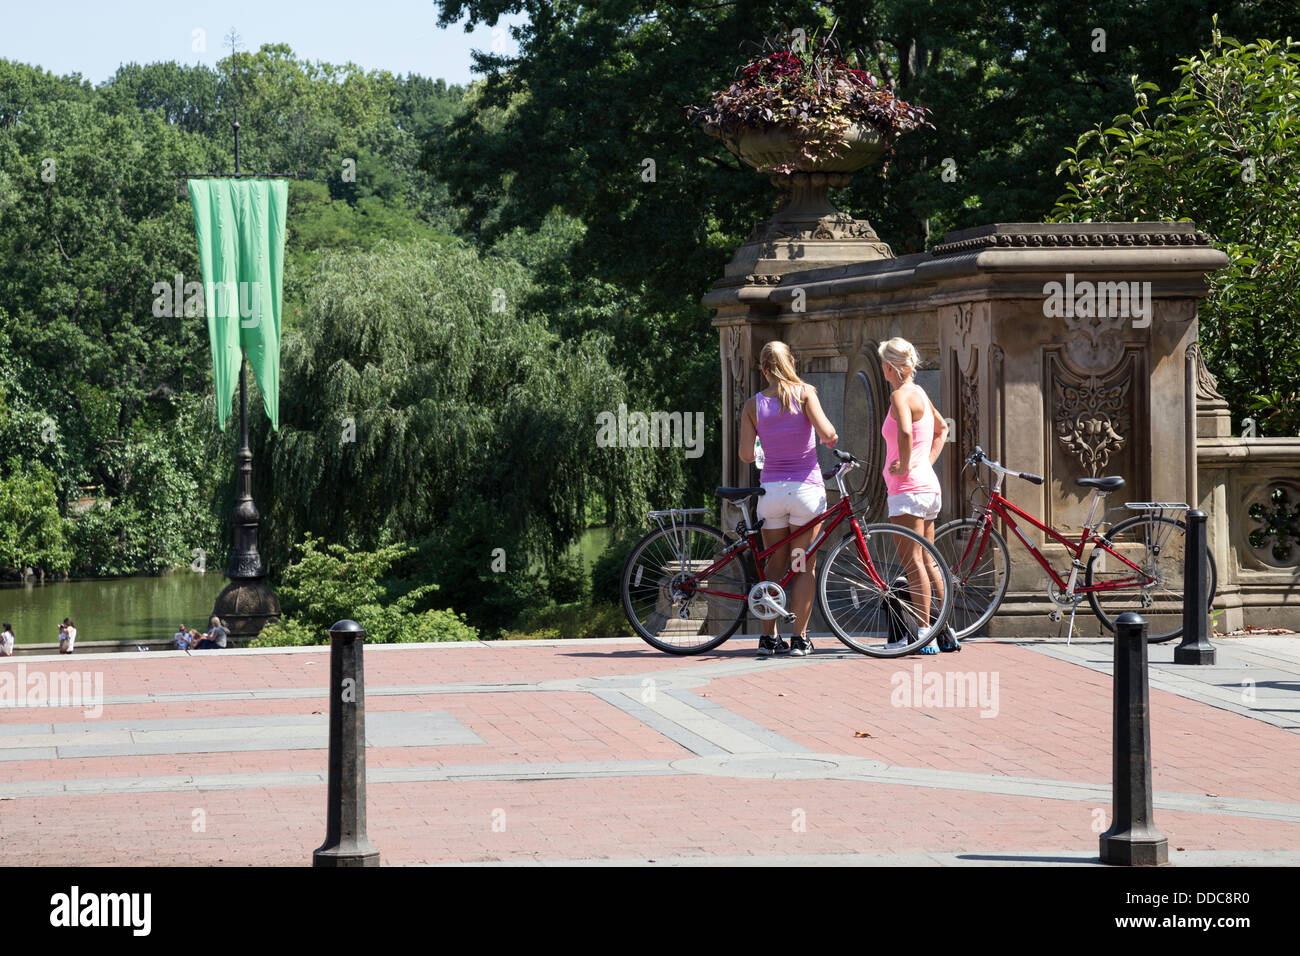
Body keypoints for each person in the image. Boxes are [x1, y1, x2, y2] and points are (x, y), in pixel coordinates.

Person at [739, 341, 839, 658]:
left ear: (764, 370)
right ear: (791, 364)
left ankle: (769, 637)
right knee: (803, 565)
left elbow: (744, 455)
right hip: (806, 492)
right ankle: (800, 639)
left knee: (776, 562)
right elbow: (829, 434)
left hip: (771, 493)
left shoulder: (752, 406)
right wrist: (821, 436)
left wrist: (764, 444)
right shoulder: (806, 393)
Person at [877, 338, 955, 653]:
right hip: (928, 486)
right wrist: (925, 463)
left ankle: (924, 634)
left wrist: (907, 464)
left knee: (913, 564)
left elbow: (906, 432)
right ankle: (945, 631)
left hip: (907, 489)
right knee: (929, 561)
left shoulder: (899, 395)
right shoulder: (920, 392)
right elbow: (942, 430)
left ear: (889, 367)